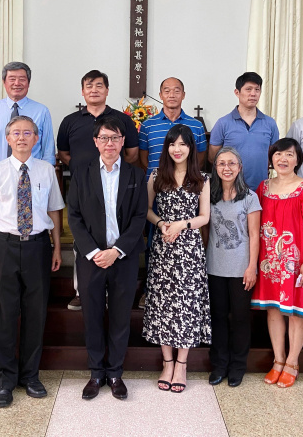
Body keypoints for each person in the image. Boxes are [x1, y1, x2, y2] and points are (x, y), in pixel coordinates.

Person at [0, 115, 64, 408]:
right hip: (4, 247)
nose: (22, 137)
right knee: (4, 314)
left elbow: (54, 211)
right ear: (7, 139)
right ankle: (4, 381)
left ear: (36, 139)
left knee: (36, 313)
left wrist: (57, 248)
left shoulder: (47, 170)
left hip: (38, 246)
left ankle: (30, 376)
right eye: (16, 133)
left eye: (28, 133)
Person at [67, 117, 147, 401]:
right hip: (91, 257)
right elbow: (74, 216)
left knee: (120, 316)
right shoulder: (81, 172)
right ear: (95, 141)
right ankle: (96, 373)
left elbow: (139, 217)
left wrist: (117, 251)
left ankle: (115, 373)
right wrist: (93, 251)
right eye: (104, 138)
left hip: (123, 257)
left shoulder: (136, 175)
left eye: (114, 138)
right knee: (92, 316)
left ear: (123, 141)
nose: (109, 143)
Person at [58, 70, 140, 311]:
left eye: (99, 85)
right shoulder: (70, 121)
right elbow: (63, 153)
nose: (94, 90)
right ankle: (81, 292)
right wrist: (82, 172)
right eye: (89, 86)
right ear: (82, 91)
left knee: (116, 233)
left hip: (115, 184)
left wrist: (114, 167)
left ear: (107, 90)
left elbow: (132, 153)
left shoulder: (121, 119)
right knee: (83, 239)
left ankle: (113, 291)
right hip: (84, 189)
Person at [143, 124, 211, 393]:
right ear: (167, 147)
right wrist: (161, 224)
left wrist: (182, 224)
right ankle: (167, 363)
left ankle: (182, 364)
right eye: (173, 144)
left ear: (191, 148)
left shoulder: (202, 179)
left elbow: (205, 217)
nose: (177, 149)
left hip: (189, 249)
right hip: (163, 248)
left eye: (183, 144)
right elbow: (147, 209)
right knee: (163, 303)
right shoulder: (157, 175)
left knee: (186, 304)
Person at [251, 138, 303, 388]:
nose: (283, 159)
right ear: (271, 159)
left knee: (296, 311)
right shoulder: (263, 187)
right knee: (273, 309)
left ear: (297, 159)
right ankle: (278, 360)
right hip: (269, 261)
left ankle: (293, 362)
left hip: (295, 261)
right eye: (278, 154)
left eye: (289, 155)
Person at [138, 77, 207, 309]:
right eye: (166, 90)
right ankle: (151, 290)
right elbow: (143, 158)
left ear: (183, 95)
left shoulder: (195, 126)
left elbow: (200, 157)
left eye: (177, 90)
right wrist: (162, 177)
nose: (172, 94)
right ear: (160, 95)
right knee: (155, 242)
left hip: (187, 192)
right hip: (159, 188)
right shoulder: (148, 125)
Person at [206, 147, 261, 388]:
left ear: (239, 167)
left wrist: (252, 267)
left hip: (241, 268)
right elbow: (205, 230)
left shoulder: (250, 197)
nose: (226, 168)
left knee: (239, 318)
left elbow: (254, 234)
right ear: (215, 168)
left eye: (231, 163)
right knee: (217, 317)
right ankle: (219, 365)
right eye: (221, 163)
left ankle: (238, 366)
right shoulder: (209, 195)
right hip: (214, 266)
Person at [208, 72, 280, 190]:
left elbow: (273, 156)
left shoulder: (270, 123)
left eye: (257, 89)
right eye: (248, 89)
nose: (253, 94)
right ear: (237, 92)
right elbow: (213, 158)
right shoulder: (223, 123)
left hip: (260, 188)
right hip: (230, 189)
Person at [0, 61, 55, 172]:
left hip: (32, 171)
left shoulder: (41, 111)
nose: (17, 83)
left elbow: (48, 151)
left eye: (22, 79)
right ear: (4, 82)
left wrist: (45, 175)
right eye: (12, 79)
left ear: (28, 83)